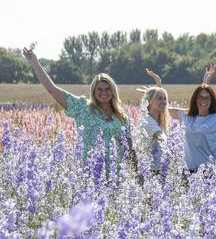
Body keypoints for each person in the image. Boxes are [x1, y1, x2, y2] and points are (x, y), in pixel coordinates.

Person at [22, 44, 135, 172]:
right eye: (100, 89)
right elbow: (53, 90)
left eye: (108, 89)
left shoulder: (122, 117)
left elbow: (130, 149)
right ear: (93, 91)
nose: (104, 92)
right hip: (90, 176)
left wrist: (137, 175)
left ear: (113, 91)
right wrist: (34, 63)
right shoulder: (82, 107)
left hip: (117, 176)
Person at [135, 72, 169, 174]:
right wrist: (174, 146)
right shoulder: (146, 120)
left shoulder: (157, 119)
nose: (163, 101)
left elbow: (160, 103)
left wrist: (159, 83)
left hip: (159, 167)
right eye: (159, 98)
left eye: (165, 99)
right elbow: (160, 136)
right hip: (150, 171)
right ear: (149, 102)